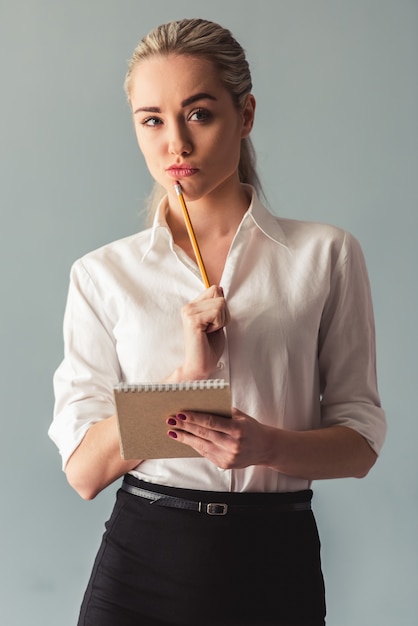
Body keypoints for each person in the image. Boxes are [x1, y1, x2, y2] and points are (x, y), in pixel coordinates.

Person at [49, 17, 387, 626]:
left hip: (275, 560)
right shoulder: (102, 275)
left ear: (246, 114)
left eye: (199, 114)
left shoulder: (327, 255)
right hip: (144, 559)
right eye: (152, 119)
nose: (174, 143)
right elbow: (83, 471)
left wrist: (266, 446)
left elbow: (360, 443)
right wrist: (184, 379)